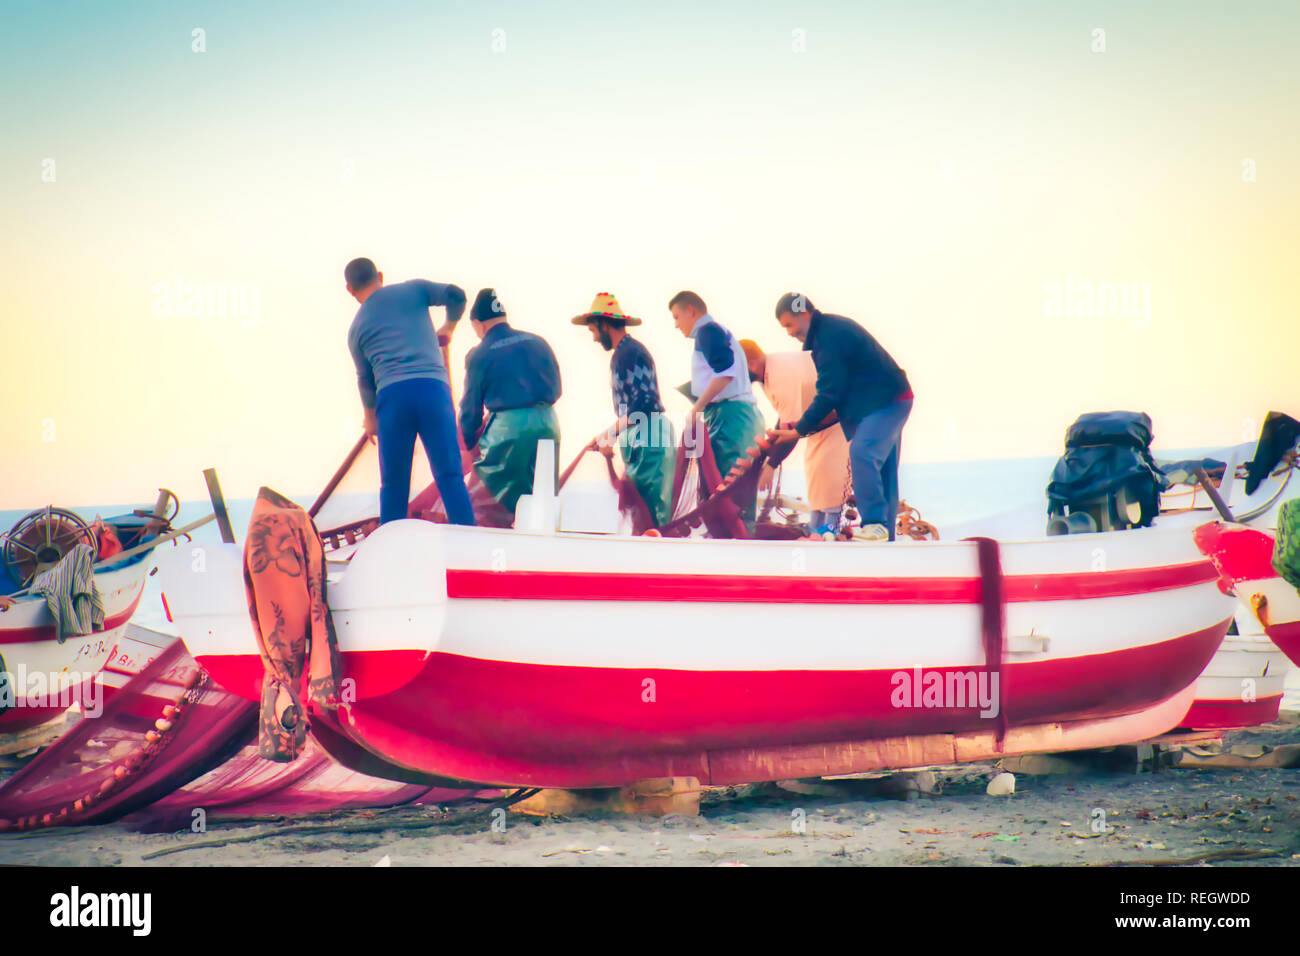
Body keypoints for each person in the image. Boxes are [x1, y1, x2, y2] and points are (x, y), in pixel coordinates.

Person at [770, 293, 912, 542]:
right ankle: (886, 538)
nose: (789, 333)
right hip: (891, 399)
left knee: (862, 452)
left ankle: (875, 525)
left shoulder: (828, 337)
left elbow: (828, 395)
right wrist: (801, 426)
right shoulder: (826, 334)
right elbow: (835, 397)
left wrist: (797, 430)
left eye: (789, 325)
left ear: (804, 313)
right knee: (884, 470)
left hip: (887, 402)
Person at [344, 257, 475, 526]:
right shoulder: (413, 290)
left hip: (392, 400)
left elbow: (365, 380)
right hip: (433, 392)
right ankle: (468, 548)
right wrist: (449, 327)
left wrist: (370, 418)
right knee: (450, 476)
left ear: (349, 289)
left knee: (393, 487)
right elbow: (457, 296)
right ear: (379, 275)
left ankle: (389, 553)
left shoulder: (356, 329)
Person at [572, 293, 675, 526]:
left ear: (604, 324)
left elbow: (645, 403)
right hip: (643, 436)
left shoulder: (628, 354)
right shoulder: (625, 353)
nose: (595, 338)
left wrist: (609, 432)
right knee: (641, 514)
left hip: (648, 436)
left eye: (594, 331)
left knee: (648, 515)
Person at [459, 288, 563, 517]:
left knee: (488, 504)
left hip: (510, 429)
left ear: (478, 324)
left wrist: (469, 443)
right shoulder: (539, 342)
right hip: (548, 421)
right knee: (542, 495)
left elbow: (470, 410)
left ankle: (490, 547)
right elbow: (559, 387)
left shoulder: (480, 353)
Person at [668, 290, 765, 532]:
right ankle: (732, 542)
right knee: (727, 488)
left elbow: (726, 372)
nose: (676, 325)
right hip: (733, 414)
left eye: (677, 317)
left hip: (730, 416)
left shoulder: (707, 331)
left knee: (730, 491)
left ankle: (735, 551)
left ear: (691, 311)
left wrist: (698, 407)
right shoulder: (713, 332)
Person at [740, 339, 851, 534]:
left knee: (830, 480)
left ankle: (831, 532)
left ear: (750, 364)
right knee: (816, 479)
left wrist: (770, 466)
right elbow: (785, 421)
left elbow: (792, 431)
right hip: (818, 424)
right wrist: (763, 454)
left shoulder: (780, 376)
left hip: (842, 418)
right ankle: (817, 531)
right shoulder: (768, 372)